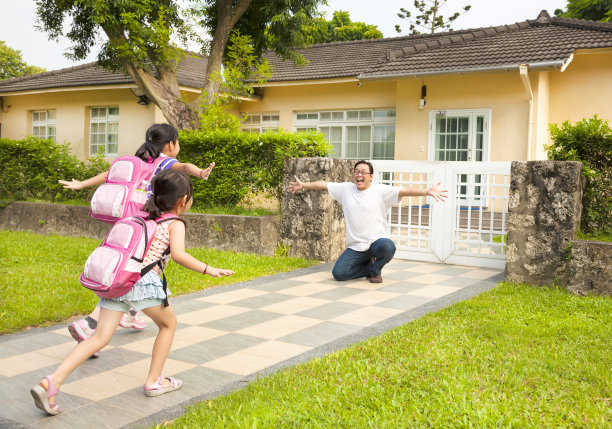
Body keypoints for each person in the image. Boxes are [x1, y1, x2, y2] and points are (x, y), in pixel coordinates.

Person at [31, 169, 235, 415]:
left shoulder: (144, 215)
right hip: (141, 282)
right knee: (168, 325)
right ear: (183, 200)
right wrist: (208, 269)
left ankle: (52, 382)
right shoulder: (174, 222)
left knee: (98, 337)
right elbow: (179, 255)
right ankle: (154, 380)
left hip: (119, 279)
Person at [60, 123, 215, 351]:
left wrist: (83, 183)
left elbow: (110, 175)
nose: (178, 146)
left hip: (129, 223)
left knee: (135, 271)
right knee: (137, 271)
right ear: (171, 144)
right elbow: (184, 166)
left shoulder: (142, 160)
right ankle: (90, 323)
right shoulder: (165, 162)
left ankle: (130, 315)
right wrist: (201, 173)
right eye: (178, 142)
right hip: (148, 226)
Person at [289, 160, 447, 283]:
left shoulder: (380, 191)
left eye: (364, 172)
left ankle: (376, 270)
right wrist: (304, 185)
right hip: (356, 246)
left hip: (376, 241)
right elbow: (324, 185)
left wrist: (427, 191)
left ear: (371, 176)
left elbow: (404, 190)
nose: (359, 175)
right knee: (338, 274)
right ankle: (369, 268)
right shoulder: (345, 189)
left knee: (388, 246)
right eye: (357, 171)